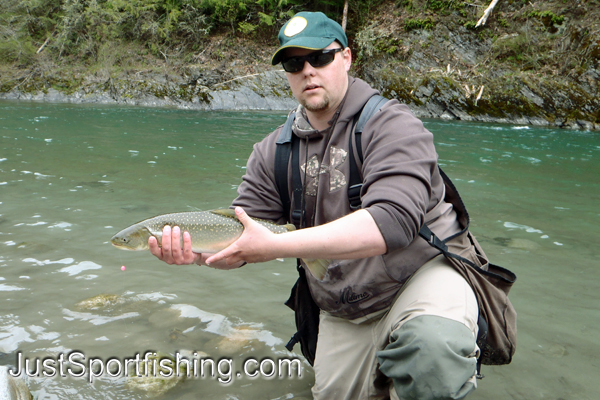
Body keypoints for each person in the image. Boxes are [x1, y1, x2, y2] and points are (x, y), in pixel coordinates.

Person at [149, 11, 481, 400]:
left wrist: (277, 246)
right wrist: (201, 253)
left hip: (419, 275)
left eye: (320, 58)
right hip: (342, 302)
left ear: (346, 58)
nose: (308, 71)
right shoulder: (272, 150)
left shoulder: (393, 125)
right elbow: (245, 228)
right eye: (294, 63)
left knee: (431, 354)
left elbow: (392, 223)